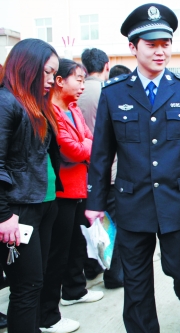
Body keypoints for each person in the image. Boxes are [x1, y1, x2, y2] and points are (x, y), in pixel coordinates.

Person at [84, 4, 180, 333]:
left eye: (166, 44)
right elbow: (102, 153)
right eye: (151, 44)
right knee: (136, 282)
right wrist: (94, 202)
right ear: (133, 47)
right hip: (132, 203)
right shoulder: (114, 94)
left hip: (176, 201)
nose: (161, 51)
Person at [0, 38, 61, 333]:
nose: (52, 80)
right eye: (48, 73)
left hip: (41, 203)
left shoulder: (34, 105)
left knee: (36, 282)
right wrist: (3, 215)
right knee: (26, 286)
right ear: (28, 67)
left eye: (54, 74)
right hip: (16, 211)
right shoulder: (6, 103)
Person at [40, 59, 102, 333]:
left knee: (77, 245)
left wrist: (84, 145)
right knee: (57, 253)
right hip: (61, 192)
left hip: (79, 187)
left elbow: (91, 140)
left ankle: (74, 291)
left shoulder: (74, 109)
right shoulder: (51, 111)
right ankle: (48, 315)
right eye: (78, 79)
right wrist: (85, 145)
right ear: (60, 81)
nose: (82, 85)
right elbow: (70, 151)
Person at [79, 48, 124, 289]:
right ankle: (115, 274)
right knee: (112, 222)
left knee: (91, 222)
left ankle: (92, 266)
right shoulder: (107, 92)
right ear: (107, 65)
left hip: (81, 172)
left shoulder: (76, 91)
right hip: (110, 171)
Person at [78, 48, 109, 133]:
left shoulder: (74, 90)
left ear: (84, 68)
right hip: (99, 144)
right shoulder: (108, 91)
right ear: (107, 66)